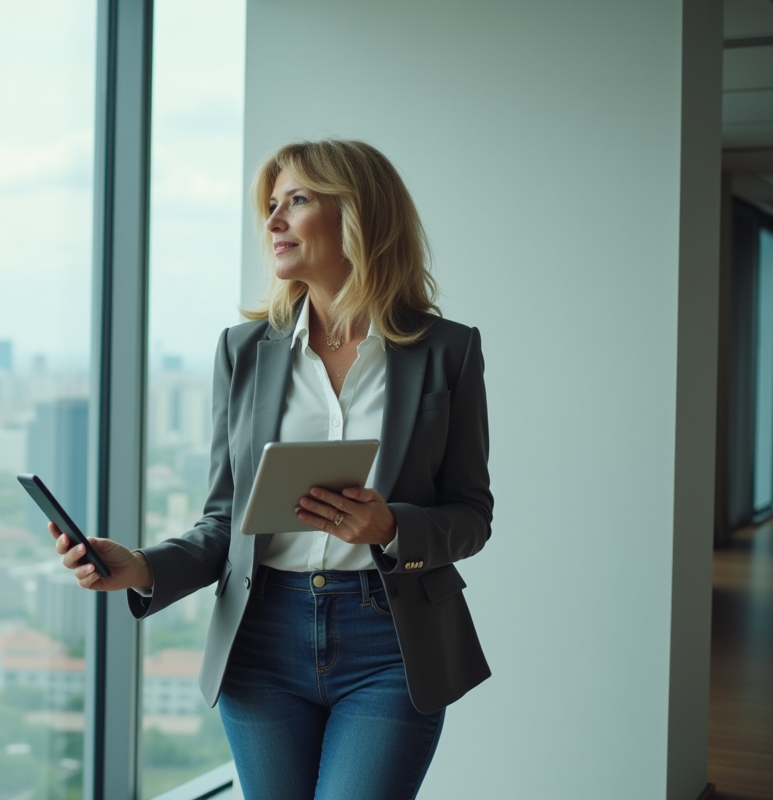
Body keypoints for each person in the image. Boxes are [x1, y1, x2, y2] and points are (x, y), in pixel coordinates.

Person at [51, 139, 492, 800]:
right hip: (262, 641)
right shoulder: (244, 351)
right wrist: (143, 566)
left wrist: (390, 526)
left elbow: (471, 515)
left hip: (391, 642)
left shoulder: (446, 351)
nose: (273, 221)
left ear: (358, 215)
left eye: (298, 201)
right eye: (271, 205)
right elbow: (226, 518)